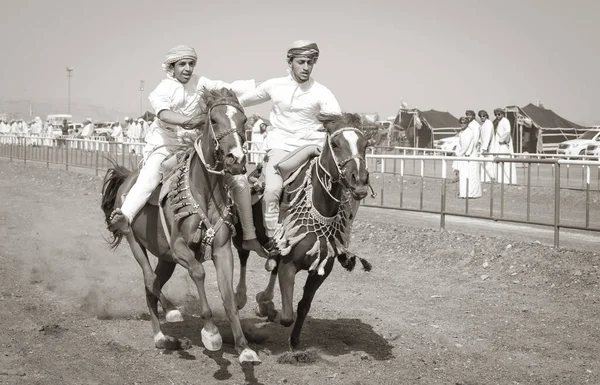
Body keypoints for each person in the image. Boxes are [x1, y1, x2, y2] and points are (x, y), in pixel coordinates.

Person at [108, 45, 272, 260]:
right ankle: (125, 218)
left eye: (191, 64)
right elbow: (164, 113)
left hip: (194, 145)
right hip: (164, 145)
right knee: (149, 177)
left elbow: (231, 88)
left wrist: (269, 86)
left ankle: (249, 236)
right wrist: (190, 121)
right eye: (182, 64)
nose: (187, 68)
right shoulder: (162, 89)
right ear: (171, 67)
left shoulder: (201, 82)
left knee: (239, 180)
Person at [238, 40, 342, 249]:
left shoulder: (322, 92)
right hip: (280, 148)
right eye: (301, 62)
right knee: (271, 190)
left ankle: (341, 240)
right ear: (290, 62)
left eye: (310, 62)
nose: (306, 67)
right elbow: (241, 101)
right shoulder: (274, 85)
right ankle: (273, 237)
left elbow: (337, 120)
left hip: (312, 150)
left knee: (347, 188)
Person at [455, 113, 482, 199]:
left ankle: (472, 194)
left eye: (464, 123)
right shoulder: (462, 133)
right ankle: (464, 193)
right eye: (461, 123)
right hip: (464, 157)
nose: (462, 124)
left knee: (471, 177)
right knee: (464, 176)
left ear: (467, 124)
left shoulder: (469, 132)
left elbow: (465, 146)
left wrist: (459, 153)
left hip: (470, 157)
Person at [491, 108, 517, 184]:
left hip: (504, 145)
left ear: (502, 114)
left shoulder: (505, 121)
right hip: (499, 145)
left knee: (505, 162)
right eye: (495, 114)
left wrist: (501, 140)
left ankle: (507, 180)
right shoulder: (498, 122)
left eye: (499, 114)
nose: (497, 116)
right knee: (499, 162)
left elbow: (508, 131)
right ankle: (500, 179)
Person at [478, 110, 495, 182]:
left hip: (488, 146)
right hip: (484, 145)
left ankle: (491, 178)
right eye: (480, 116)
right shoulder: (484, 124)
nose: (482, 117)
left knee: (488, 163)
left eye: (483, 116)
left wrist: (485, 148)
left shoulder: (488, 123)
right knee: (483, 163)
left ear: (486, 116)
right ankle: (485, 179)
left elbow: (488, 136)